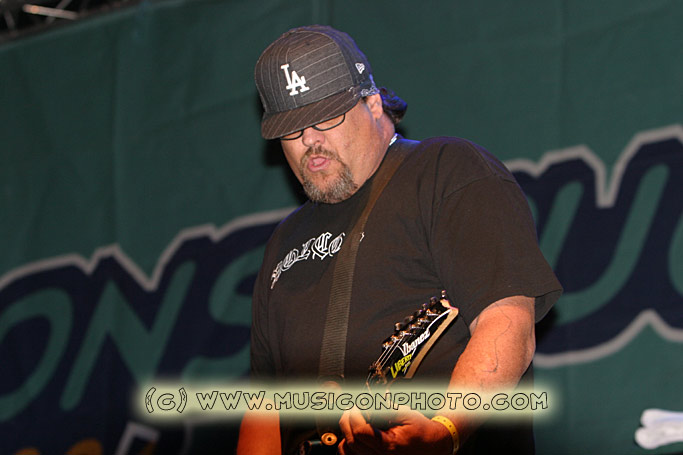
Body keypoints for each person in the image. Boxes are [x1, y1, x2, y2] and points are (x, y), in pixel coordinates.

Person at [237, 24, 562, 455]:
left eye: (325, 118)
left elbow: (507, 320)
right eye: (291, 129)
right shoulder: (282, 243)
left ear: (372, 102)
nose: (309, 140)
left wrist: (446, 430)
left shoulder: (447, 171)